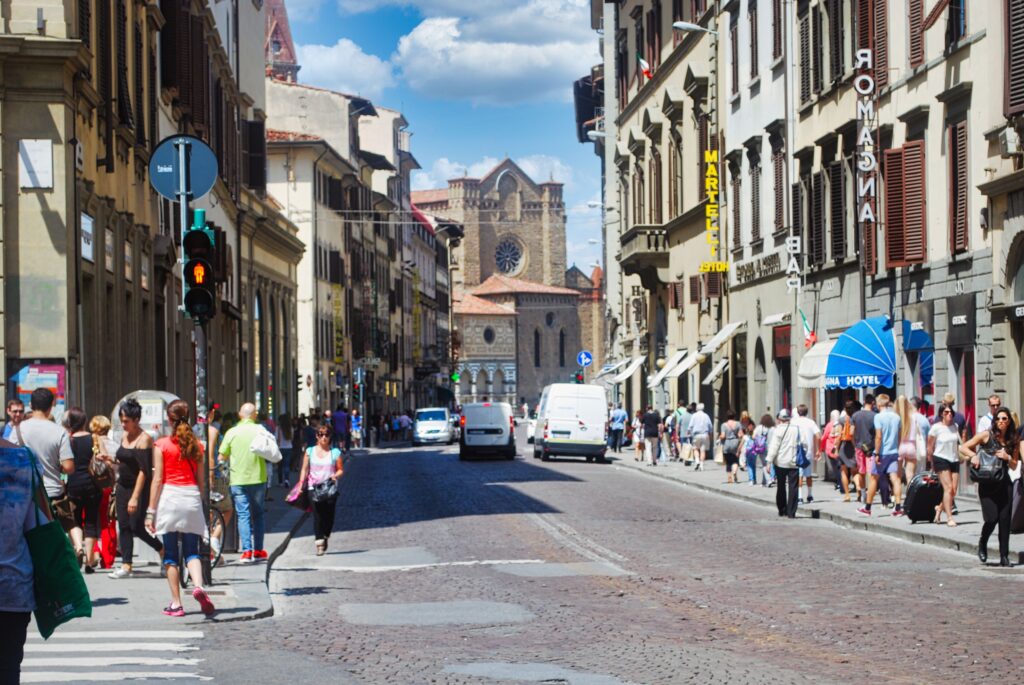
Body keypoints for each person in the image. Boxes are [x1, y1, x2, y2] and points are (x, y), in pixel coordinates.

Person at [147, 400, 216, 617]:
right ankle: (198, 587)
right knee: (192, 551)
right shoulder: (197, 445)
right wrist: (202, 503)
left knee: (170, 555)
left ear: (169, 419)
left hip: (170, 497)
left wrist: (150, 511)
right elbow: (202, 482)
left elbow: (157, 479)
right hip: (191, 496)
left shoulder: (162, 445)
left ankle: (176, 603)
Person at [110, 397, 164, 578]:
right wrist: (110, 461)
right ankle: (126, 565)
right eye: (121, 421)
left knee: (137, 527)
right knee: (123, 524)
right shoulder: (125, 436)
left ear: (136, 420)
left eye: (126, 421)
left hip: (138, 487)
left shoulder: (144, 439)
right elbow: (123, 459)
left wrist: (135, 497)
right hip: (122, 486)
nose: (123, 425)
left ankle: (162, 550)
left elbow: (143, 471)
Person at [0, 431, 38, 685]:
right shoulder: (23, 459)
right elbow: (37, 525)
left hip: (15, 586)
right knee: (8, 669)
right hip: (14, 583)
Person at [960, 407, 1019, 566]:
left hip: (1004, 483)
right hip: (987, 484)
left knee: (1005, 520)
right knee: (992, 518)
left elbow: (1014, 466)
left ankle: (1004, 557)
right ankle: (983, 542)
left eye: (1004, 419)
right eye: (998, 418)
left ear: (1009, 422)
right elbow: (963, 446)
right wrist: (973, 456)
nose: (1001, 421)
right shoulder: (987, 435)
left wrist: (1007, 457)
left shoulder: (1013, 440)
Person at [219, 403, 269, 563]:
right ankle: (259, 550)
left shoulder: (232, 432)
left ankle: (247, 551)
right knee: (259, 515)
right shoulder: (261, 430)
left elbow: (222, 457)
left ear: (240, 415)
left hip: (238, 479)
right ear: (255, 415)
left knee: (243, 515)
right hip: (258, 477)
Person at [64, 407, 106, 573]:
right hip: (92, 485)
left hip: (73, 484)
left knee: (74, 520)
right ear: (84, 421)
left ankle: (78, 548)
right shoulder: (94, 438)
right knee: (90, 521)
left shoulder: (67, 439)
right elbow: (104, 458)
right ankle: (89, 561)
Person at [298, 424, 344, 555]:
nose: (323, 437)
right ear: (316, 436)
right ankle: (319, 543)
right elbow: (304, 469)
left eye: (326, 435)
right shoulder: (310, 451)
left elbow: (340, 469)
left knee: (329, 517)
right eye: (320, 435)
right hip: (314, 488)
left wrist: (336, 475)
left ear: (330, 437)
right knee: (317, 516)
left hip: (329, 489)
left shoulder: (335, 453)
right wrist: (301, 483)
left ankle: (325, 535)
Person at [859, 394, 903, 517]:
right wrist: (897, 449)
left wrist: (876, 452)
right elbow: (899, 436)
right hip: (894, 452)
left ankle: (867, 507)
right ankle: (898, 507)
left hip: (882, 453)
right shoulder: (897, 417)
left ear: (878, 405)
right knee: (895, 479)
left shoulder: (878, 417)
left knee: (873, 478)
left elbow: (878, 436)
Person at [928, 404, 962, 526]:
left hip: (954, 459)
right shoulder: (935, 428)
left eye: (951, 412)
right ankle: (949, 518)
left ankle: (939, 508)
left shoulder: (955, 426)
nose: (949, 414)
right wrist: (931, 461)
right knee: (948, 489)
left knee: (953, 490)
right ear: (941, 413)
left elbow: (958, 443)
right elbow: (930, 445)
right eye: (946, 412)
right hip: (940, 458)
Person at [766, 409, 801, 518]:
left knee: (781, 486)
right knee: (793, 487)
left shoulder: (778, 430)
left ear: (780, 419)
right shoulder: (796, 429)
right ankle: (792, 511)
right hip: (794, 462)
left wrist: (769, 461)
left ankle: (782, 508)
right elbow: (803, 443)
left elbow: (774, 447)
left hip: (780, 462)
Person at [791, 405, 821, 503]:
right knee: (808, 475)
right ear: (807, 412)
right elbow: (818, 436)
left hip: (797, 451)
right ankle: (810, 495)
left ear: (798, 412)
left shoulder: (793, 422)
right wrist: (818, 449)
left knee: (799, 475)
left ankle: (799, 497)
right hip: (808, 452)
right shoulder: (811, 422)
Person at [851, 395, 876, 504]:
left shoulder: (855, 415)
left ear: (864, 401)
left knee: (861, 471)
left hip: (859, 447)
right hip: (871, 447)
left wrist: (855, 443)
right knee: (871, 473)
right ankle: (870, 495)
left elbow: (851, 432)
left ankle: (863, 494)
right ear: (873, 403)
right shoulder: (875, 416)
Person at [835, 401, 860, 501]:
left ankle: (847, 495)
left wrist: (836, 449)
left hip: (844, 447)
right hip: (855, 446)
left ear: (845, 409)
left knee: (844, 472)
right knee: (855, 471)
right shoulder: (857, 419)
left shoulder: (841, 420)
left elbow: (839, 436)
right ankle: (858, 488)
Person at [896, 395, 923, 483]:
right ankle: (909, 495)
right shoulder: (913, 417)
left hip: (899, 446)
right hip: (911, 445)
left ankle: (897, 496)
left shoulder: (896, 417)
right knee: (910, 474)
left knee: (898, 475)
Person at [748, 414, 773, 486]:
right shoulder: (772, 428)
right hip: (771, 448)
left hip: (761, 448)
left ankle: (768, 480)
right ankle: (764, 482)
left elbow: (753, 436)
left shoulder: (759, 428)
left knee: (764, 464)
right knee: (768, 464)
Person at [821, 410, 841, 493]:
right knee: (840, 467)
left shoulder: (829, 425)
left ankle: (838, 482)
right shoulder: (841, 424)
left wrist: (821, 447)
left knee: (834, 468)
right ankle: (841, 483)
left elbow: (824, 437)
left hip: (831, 449)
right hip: (839, 448)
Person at [688, 403, 713, 471]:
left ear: (696, 409)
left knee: (695, 449)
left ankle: (697, 461)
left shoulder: (694, 415)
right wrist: (710, 435)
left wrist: (688, 433)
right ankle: (701, 465)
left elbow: (690, 426)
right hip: (705, 435)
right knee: (703, 450)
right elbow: (710, 426)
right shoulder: (706, 416)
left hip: (696, 435)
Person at [719, 411, 742, 483]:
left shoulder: (724, 425)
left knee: (728, 462)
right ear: (734, 416)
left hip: (727, 443)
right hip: (735, 442)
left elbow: (723, 436)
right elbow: (740, 435)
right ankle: (734, 471)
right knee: (735, 460)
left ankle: (729, 478)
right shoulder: (738, 424)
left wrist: (719, 437)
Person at [275, 413, 293, 488]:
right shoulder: (290, 428)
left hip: (280, 448)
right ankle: (287, 480)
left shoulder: (278, 428)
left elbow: (276, 438)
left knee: (280, 466)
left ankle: (280, 482)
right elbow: (292, 438)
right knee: (287, 465)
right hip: (288, 448)